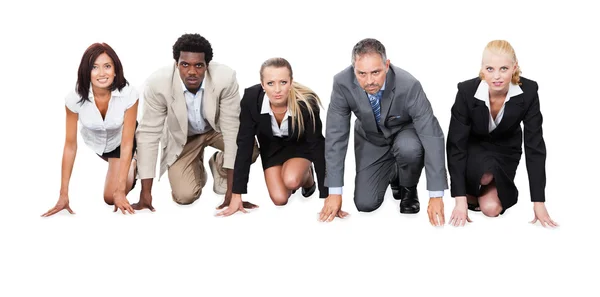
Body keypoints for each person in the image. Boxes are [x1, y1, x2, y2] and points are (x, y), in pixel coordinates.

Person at [324, 38, 448, 225]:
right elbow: (336, 135)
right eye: (361, 74)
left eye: (375, 72)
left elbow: (431, 135)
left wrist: (436, 195)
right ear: (353, 69)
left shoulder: (409, 84)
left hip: (404, 134)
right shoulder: (342, 83)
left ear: (387, 65)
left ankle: (408, 187)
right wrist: (334, 191)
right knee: (365, 204)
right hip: (371, 138)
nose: (369, 81)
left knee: (409, 149)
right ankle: (394, 172)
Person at [133, 33, 258, 211]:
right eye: (185, 65)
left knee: (249, 148)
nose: (192, 71)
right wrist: (145, 194)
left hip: (217, 130)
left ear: (207, 66)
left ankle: (220, 164)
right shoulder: (157, 84)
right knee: (184, 197)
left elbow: (232, 132)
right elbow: (148, 136)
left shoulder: (225, 78)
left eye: (199, 65)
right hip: (183, 138)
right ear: (176, 64)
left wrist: (233, 192)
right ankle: (196, 167)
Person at [447, 40, 558, 227]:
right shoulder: (466, 92)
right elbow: (455, 145)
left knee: (491, 209)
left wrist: (538, 202)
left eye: (504, 68)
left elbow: (535, 146)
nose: (496, 76)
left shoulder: (529, 92)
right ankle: (471, 189)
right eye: (490, 69)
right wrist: (459, 200)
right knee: (483, 176)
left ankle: (486, 189)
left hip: (506, 150)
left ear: (514, 67)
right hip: (474, 147)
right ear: (482, 69)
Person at [218, 58, 341, 218]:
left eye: (283, 82)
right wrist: (237, 195)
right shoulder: (251, 100)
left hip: (300, 147)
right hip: (272, 150)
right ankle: (296, 173)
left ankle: (307, 177)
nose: (277, 90)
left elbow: (317, 146)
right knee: (279, 199)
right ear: (262, 84)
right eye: (270, 83)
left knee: (291, 180)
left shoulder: (306, 103)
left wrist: (328, 196)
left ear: (291, 82)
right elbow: (244, 146)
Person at [42, 43, 139, 217]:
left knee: (111, 197)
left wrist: (121, 190)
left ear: (115, 70)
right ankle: (124, 167)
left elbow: (126, 144)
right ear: (86, 72)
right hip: (99, 146)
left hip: (124, 140)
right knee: (114, 189)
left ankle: (134, 164)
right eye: (94, 68)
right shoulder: (74, 100)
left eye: (107, 66)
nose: (102, 73)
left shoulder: (129, 94)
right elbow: (70, 146)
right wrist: (63, 194)